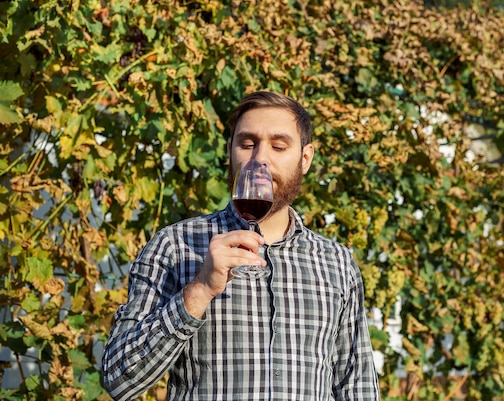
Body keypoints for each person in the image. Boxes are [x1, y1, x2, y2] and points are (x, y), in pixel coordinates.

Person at [101, 91, 380, 401]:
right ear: (231, 152)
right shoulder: (175, 246)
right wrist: (199, 291)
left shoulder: (337, 263)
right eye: (247, 144)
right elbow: (119, 380)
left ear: (305, 159)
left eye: (278, 146)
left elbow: (358, 388)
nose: (259, 158)